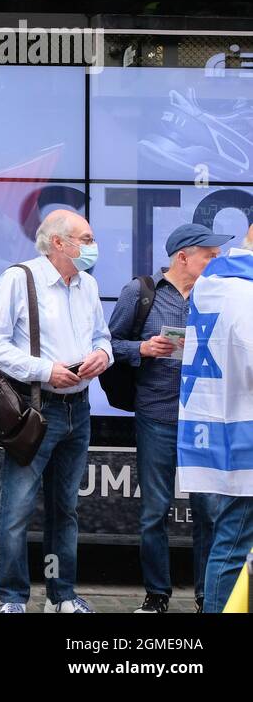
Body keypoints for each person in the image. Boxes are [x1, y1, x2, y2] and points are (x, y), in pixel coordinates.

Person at [0, 209, 113, 613]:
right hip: (36, 410)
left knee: (65, 509)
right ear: (59, 242)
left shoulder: (87, 284)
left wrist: (101, 357)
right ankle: (13, 598)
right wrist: (46, 369)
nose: (92, 246)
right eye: (86, 238)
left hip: (79, 409)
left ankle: (62, 594)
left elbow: (102, 337)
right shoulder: (19, 279)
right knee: (17, 509)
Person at [109, 223, 230, 613]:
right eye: (209, 255)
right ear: (183, 257)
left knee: (210, 512)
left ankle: (207, 597)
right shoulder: (140, 292)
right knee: (154, 512)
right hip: (156, 415)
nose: (216, 261)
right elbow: (107, 344)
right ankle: (156, 596)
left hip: (205, 417)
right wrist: (142, 348)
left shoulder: (220, 295)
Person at [183, 231, 253, 612]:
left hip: (221, 420)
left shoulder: (216, 281)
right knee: (236, 537)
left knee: (231, 535)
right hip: (246, 426)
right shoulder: (244, 289)